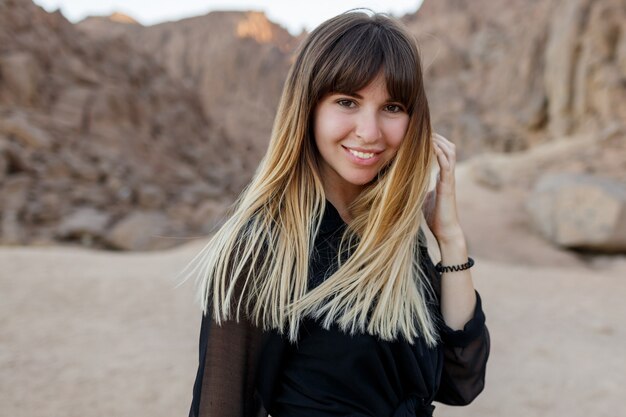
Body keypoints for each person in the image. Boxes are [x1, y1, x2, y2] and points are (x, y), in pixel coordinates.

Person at [184, 10, 489, 417]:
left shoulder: (395, 237)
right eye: (347, 102)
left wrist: (449, 239)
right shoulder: (260, 249)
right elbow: (219, 407)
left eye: (392, 107)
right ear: (307, 108)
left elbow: (460, 379)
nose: (370, 131)